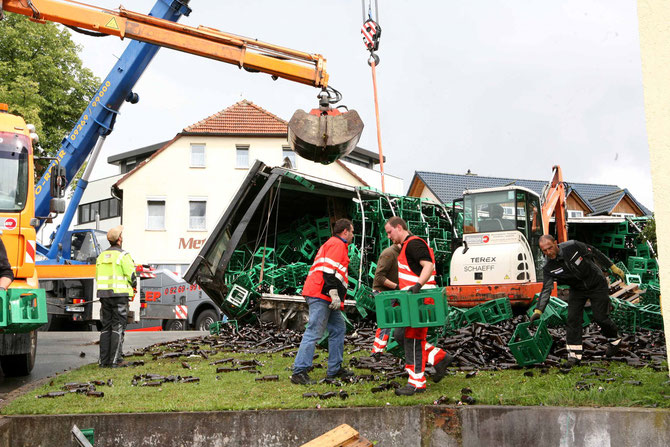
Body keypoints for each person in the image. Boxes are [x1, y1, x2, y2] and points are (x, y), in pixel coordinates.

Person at [531, 234, 626, 367]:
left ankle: (614, 340)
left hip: (597, 283)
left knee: (600, 317)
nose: (548, 252)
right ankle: (574, 356)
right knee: (572, 319)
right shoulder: (549, 267)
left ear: (556, 243)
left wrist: (612, 266)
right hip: (577, 289)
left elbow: (594, 251)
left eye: (550, 248)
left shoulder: (573, 246)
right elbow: (546, 289)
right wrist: (539, 310)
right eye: (544, 251)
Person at [384, 217, 453, 396]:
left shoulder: (414, 244)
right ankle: (439, 357)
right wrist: (400, 295)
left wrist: (417, 286)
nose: (389, 236)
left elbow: (428, 265)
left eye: (390, 232)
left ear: (399, 227)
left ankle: (416, 384)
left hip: (419, 303)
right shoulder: (407, 247)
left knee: (413, 340)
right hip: (411, 303)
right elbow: (410, 275)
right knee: (400, 335)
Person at [291, 218, 355, 385]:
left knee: (338, 328)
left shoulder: (333, 244)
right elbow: (328, 270)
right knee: (314, 331)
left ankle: (334, 369)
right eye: (352, 232)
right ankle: (299, 371)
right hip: (322, 294)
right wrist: (334, 294)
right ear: (345, 232)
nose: (353, 235)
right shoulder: (337, 244)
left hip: (323, 294)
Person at [96, 225, 137, 368]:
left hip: (104, 296)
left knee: (106, 327)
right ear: (119, 239)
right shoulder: (123, 255)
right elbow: (132, 276)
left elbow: (98, 276)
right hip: (119, 296)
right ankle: (115, 361)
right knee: (118, 327)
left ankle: (103, 361)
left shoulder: (101, 256)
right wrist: (134, 286)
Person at [370, 243, 401, 354]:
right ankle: (377, 351)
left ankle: (381, 348)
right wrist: (397, 287)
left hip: (393, 292)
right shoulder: (388, 254)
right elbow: (379, 277)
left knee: (392, 321)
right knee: (386, 322)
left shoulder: (400, 253)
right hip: (383, 293)